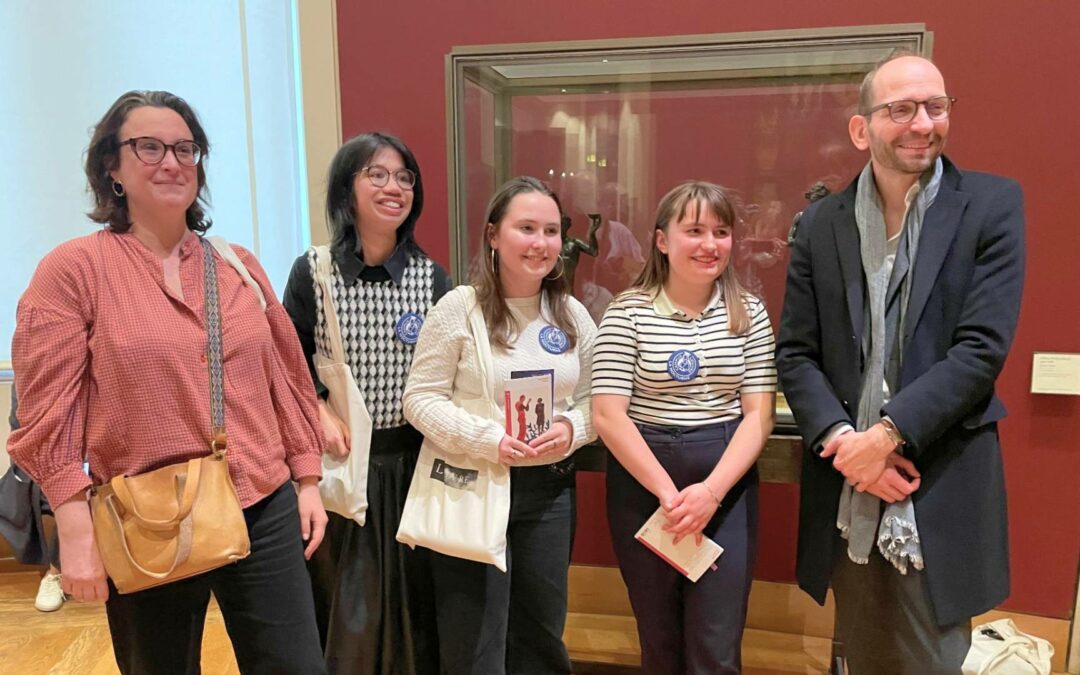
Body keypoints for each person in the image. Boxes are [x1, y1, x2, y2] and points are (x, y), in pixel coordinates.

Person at [6, 90, 328, 674]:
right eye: (148, 147)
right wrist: (75, 530)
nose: (172, 161)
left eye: (185, 147)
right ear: (112, 167)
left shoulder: (236, 266)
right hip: (145, 513)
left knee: (296, 666)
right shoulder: (74, 270)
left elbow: (284, 376)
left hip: (262, 500)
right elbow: (46, 410)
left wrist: (306, 478)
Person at [776, 51, 1025, 674]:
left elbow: (981, 350)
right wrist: (845, 445)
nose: (923, 123)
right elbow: (797, 352)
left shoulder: (991, 206)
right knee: (860, 654)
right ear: (862, 129)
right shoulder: (819, 224)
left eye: (936, 106)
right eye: (902, 109)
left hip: (936, 476)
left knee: (932, 660)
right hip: (847, 484)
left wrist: (885, 437)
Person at [403, 176, 597, 674]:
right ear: (493, 235)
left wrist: (574, 428)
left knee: (540, 632)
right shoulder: (459, 308)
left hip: (548, 493)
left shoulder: (571, 313)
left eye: (551, 231)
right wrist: (486, 439)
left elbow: (601, 400)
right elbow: (420, 399)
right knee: (474, 641)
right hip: (473, 485)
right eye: (526, 228)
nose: (541, 243)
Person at [592, 181, 777, 674]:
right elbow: (608, 414)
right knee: (659, 638)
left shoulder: (749, 313)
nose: (710, 244)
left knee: (716, 643)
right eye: (694, 230)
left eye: (721, 231)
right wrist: (669, 495)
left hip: (725, 485)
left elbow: (758, 415)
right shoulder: (626, 311)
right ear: (661, 241)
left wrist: (710, 494)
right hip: (644, 485)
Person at [283, 131, 450, 674]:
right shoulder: (313, 271)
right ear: (345, 189)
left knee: (414, 606)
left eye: (404, 177)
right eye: (376, 175)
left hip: (415, 466)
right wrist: (315, 406)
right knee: (347, 610)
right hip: (342, 464)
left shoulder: (433, 279)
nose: (393, 187)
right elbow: (284, 362)